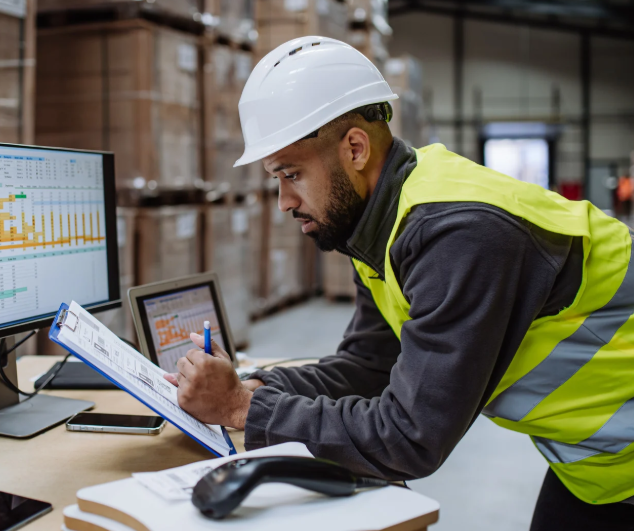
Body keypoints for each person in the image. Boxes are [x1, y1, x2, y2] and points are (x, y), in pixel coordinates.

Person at [162, 37, 634, 530]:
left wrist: (242, 407)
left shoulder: (460, 234)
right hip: (597, 466)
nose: (283, 200)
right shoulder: (383, 225)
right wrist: (255, 385)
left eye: (292, 173)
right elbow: (370, 366)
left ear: (355, 148)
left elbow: (409, 436)